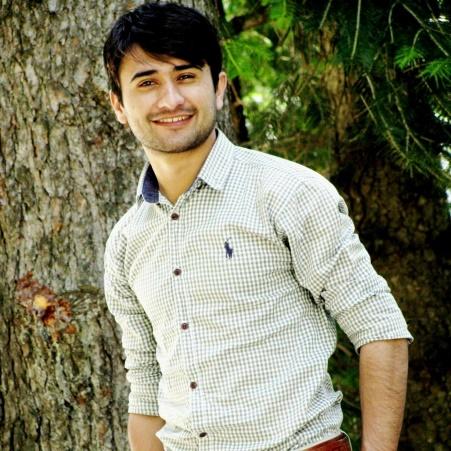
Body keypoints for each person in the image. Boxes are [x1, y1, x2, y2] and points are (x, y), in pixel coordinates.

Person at [102, 3, 413, 450]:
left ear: (218, 88)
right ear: (118, 105)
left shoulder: (287, 193)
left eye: (186, 76)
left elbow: (378, 326)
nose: (170, 99)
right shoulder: (126, 242)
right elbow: (147, 384)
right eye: (147, 82)